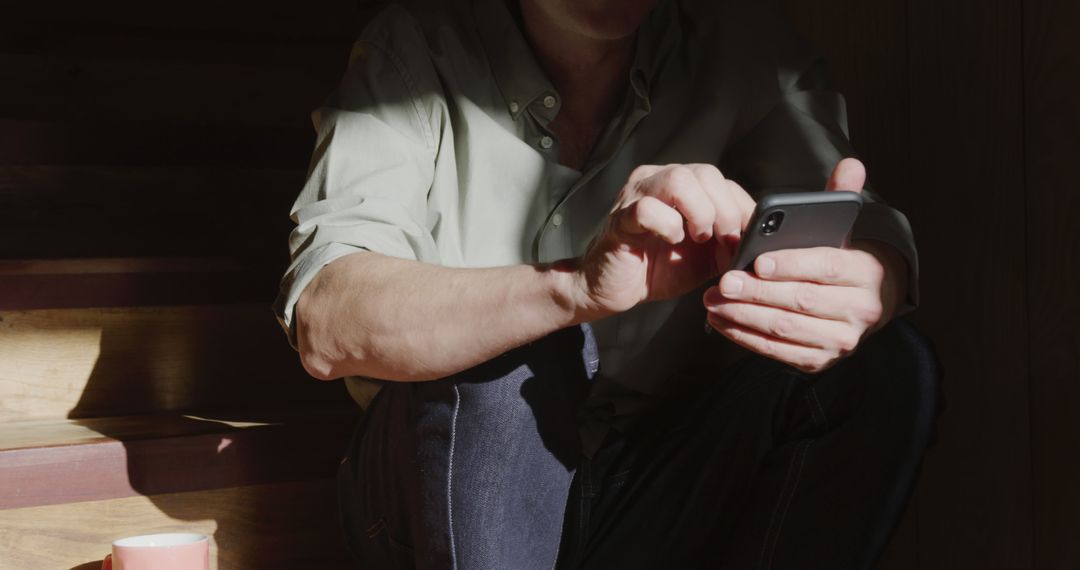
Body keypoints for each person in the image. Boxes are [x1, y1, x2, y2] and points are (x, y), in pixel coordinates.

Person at [273, 0, 940, 567]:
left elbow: (861, 232)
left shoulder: (744, 45)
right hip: (447, 493)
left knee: (883, 365)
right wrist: (571, 292)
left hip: (660, 484)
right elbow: (327, 322)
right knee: (503, 368)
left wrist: (870, 278)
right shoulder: (416, 48)